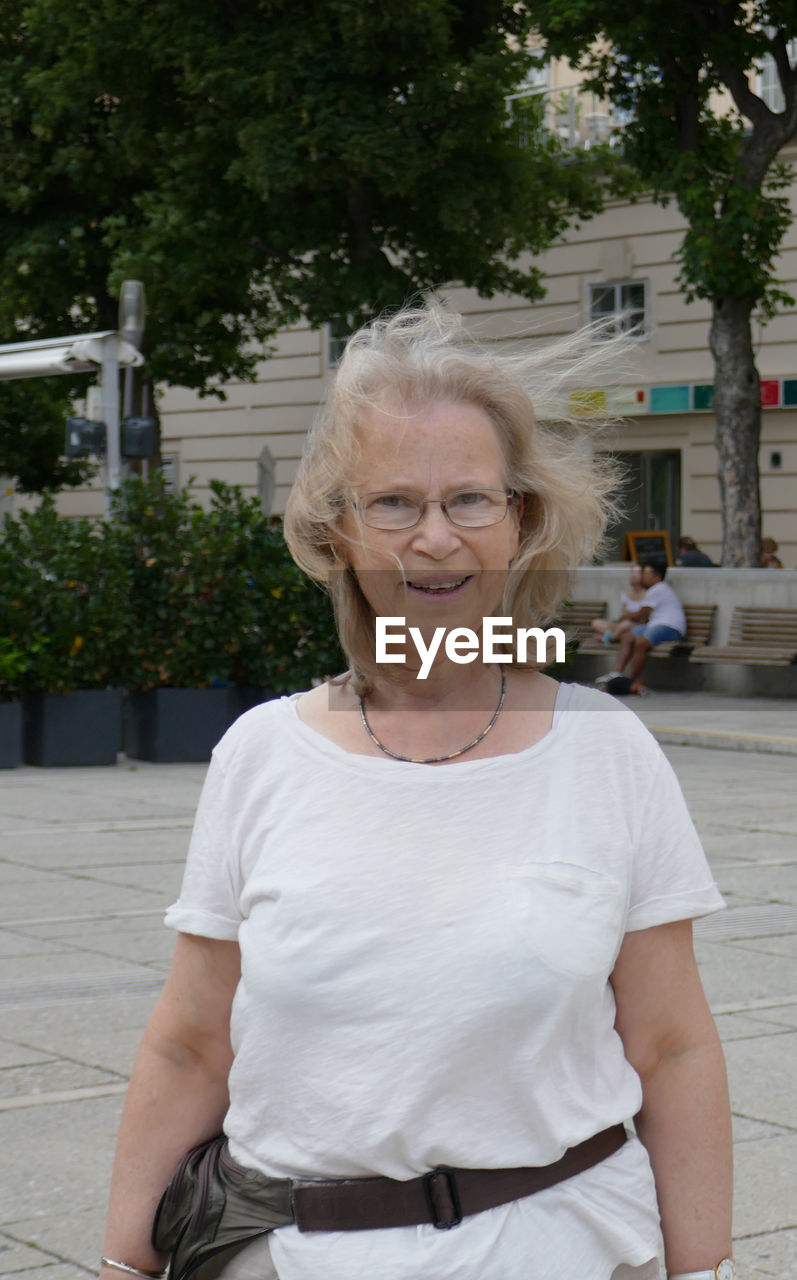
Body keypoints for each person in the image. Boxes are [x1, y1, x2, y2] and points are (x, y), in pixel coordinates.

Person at [99, 307, 733, 1280]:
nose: (433, 537)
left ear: (519, 519)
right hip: (296, 1253)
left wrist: (702, 1271)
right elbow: (190, 1044)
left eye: (469, 499)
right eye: (392, 501)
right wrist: (122, 1264)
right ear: (336, 526)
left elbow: (673, 1042)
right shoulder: (261, 753)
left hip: (561, 1244)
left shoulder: (604, 749)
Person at [596, 557, 687, 696]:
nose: (642, 577)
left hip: (670, 627)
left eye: (646, 573)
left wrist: (625, 617)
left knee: (641, 642)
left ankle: (631, 681)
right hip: (655, 624)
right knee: (627, 637)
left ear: (657, 576)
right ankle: (617, 673)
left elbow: (642, 613)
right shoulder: (654, 590)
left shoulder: (659, 589)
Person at [589, 563, 646, 645]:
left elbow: (644, 617)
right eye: (632, 573)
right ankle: (616, 636)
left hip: (638, 626)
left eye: (637, 573)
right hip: (623, 625)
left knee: (625, 625)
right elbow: (624, 616)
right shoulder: (626, 594)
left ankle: (609, 638)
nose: (634, 576)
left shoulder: (648, 594)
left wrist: (630, 617)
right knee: (596, 623)